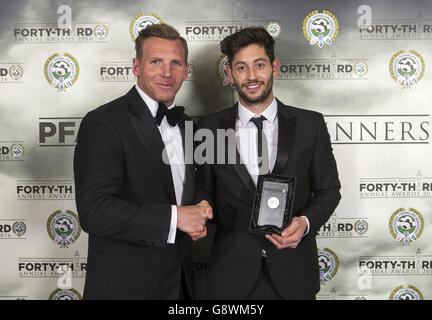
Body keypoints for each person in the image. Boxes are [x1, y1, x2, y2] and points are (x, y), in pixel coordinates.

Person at [195, 27, 341, 299]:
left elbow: (329, 190)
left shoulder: (311, 124)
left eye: (259, 65)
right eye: (241, 67)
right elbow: (203, 189)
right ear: (229, 74)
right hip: (230, 275)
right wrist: (201, 204)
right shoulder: (209, 127)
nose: (251, 76)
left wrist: (305, 223)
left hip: (294, 272)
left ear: (274, 66)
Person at [74, 23, 211, 300]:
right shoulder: (103, 122)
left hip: (181, 286)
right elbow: (94, 211)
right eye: (156, 61)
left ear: (186, 70)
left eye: (175, 63)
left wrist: (200, 205)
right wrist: (176, 217)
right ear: (136, 66)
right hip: (125, 288)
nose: (166, 72)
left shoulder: (187, 126)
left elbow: (184, 188)